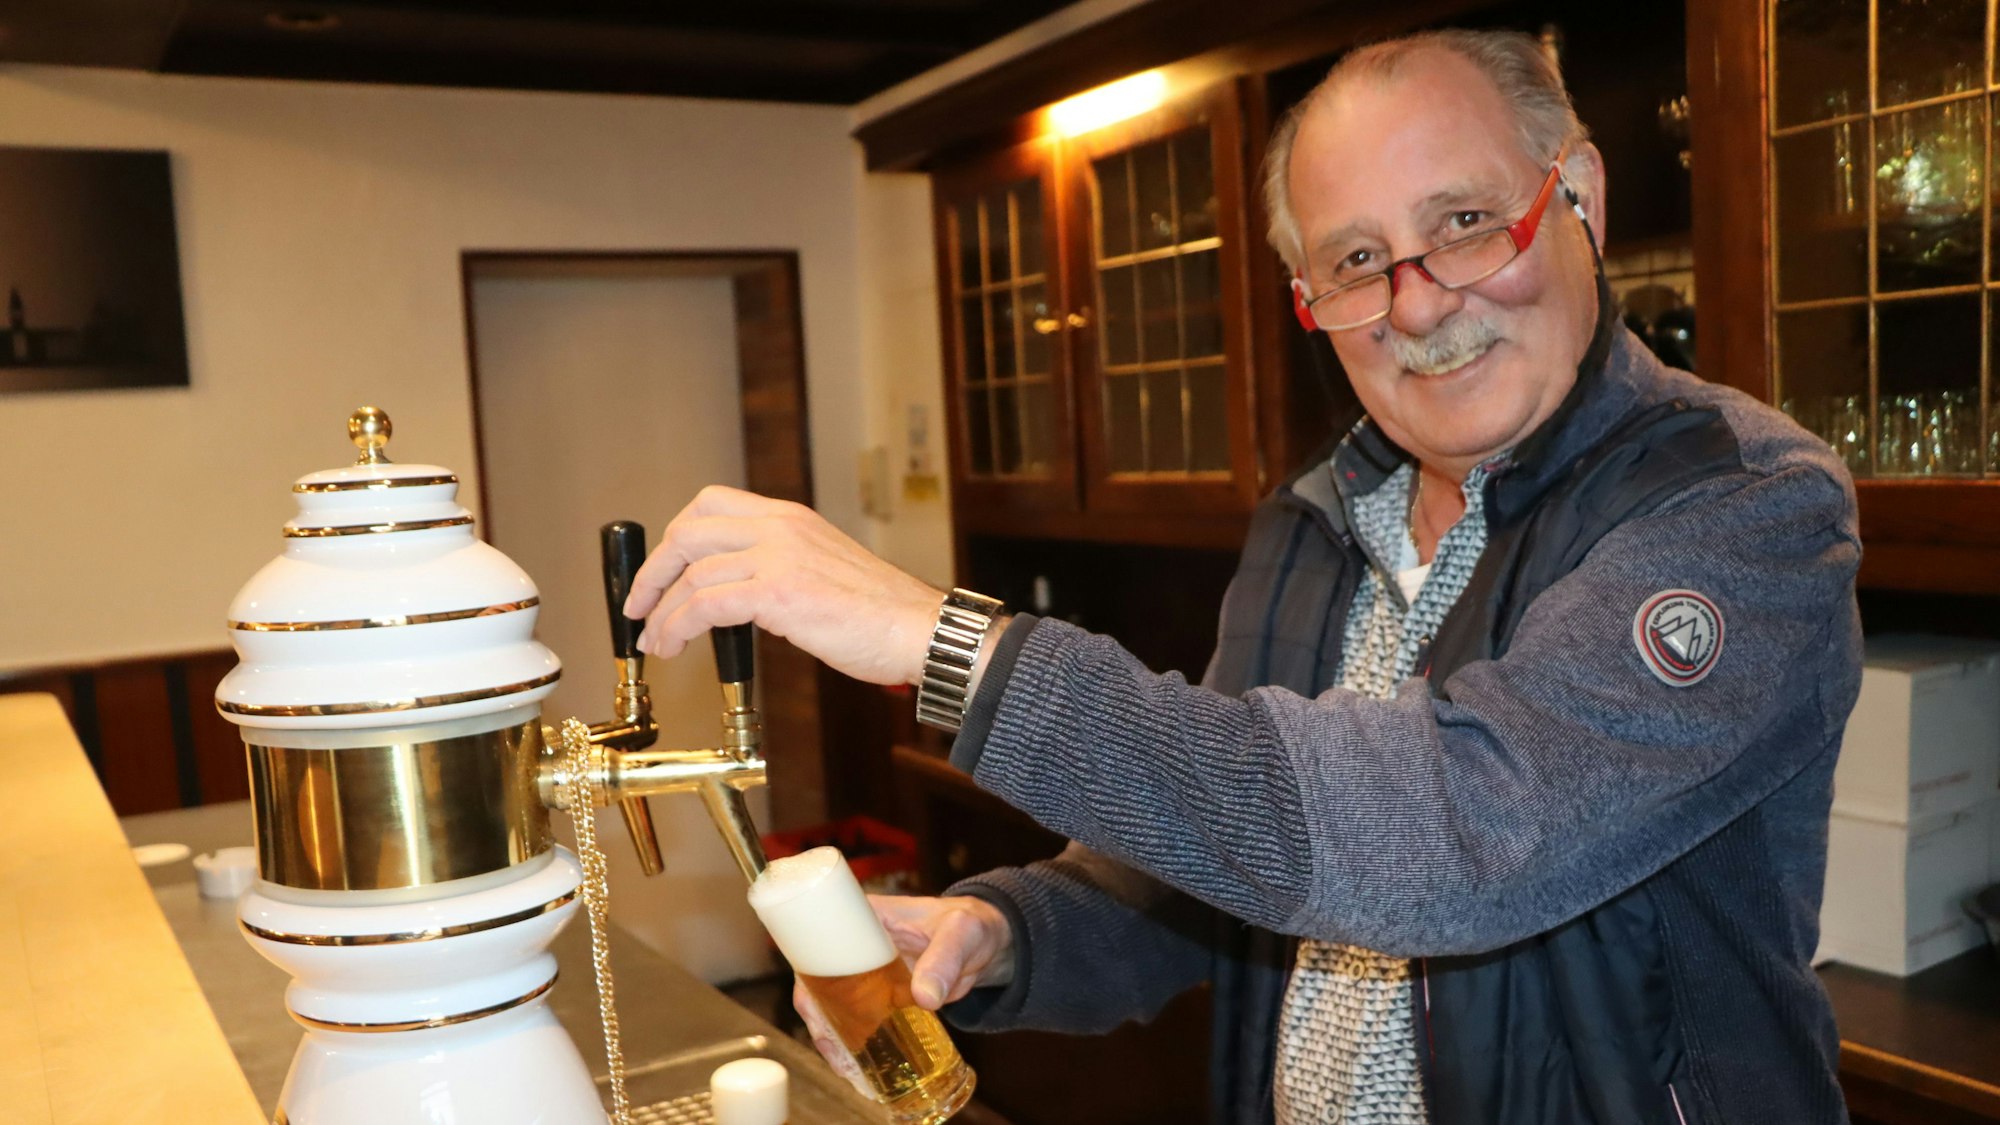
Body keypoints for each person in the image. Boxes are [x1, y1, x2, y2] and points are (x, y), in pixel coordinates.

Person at [625, 28, 1863, 1125]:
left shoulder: (1739, 505)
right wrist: (1004, 930)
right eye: (1356, 260)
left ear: (1577, 193)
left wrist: (947, 645)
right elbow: (1221, 857)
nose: (1418, 305)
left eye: (1465, 224)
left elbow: (1453, 833)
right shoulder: (1317, 519)